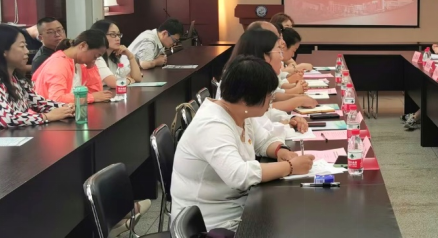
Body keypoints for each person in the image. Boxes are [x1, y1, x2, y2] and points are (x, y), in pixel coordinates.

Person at [170, 55, 314, 232]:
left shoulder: (239, 112)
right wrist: (290, 167)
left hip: (238, 205)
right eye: (268, 95)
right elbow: (239, 175)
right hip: (211, 224)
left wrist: (281, 151)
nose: (271, 100)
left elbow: (263, 141)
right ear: (246, 99)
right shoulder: (212, 125)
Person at [0, 24, 74, 132]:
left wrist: (67, 107)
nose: (27, 51)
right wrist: (46, 117)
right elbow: (8, 119)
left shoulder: (17, 79)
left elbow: (40, 104)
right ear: (4, 51)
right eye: (22, 46)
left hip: (18, 137)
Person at [223, 28, 313, 131]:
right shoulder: (242, 82)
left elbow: (266, 114)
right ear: (264, 54)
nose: (281, 57)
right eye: (279, 51)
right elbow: (263, 125)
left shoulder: (255, 78)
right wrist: (297, 100)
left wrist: (290, 119)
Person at [32, 29, 114, 104]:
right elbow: (56, 98)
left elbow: (97, 93)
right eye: (95, 56)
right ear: (83, 46)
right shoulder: (58, 64)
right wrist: (91, 97)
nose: (94, 60)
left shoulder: (80, 63)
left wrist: (91, 67)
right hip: (51, 112)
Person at [90, 20, 144, 88]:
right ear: (100, 36)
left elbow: (137, 78)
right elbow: (115, 83)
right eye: (113, 35)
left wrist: (131, 57)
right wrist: (128, 80)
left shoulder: (113, 59)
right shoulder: (97, 59)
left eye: (118, 35)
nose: (118, 38)